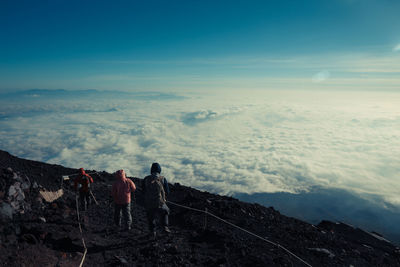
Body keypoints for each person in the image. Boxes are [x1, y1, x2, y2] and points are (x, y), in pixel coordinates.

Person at [142, 162, 170, 236]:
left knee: (150, 216)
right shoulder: (163, 179)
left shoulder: (146, 179)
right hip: (160, 203)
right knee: (165, 211)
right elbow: (167, 191)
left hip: (149, 203)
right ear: (159, 170)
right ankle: (165, 227)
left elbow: (143, 191)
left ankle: (152, 231)